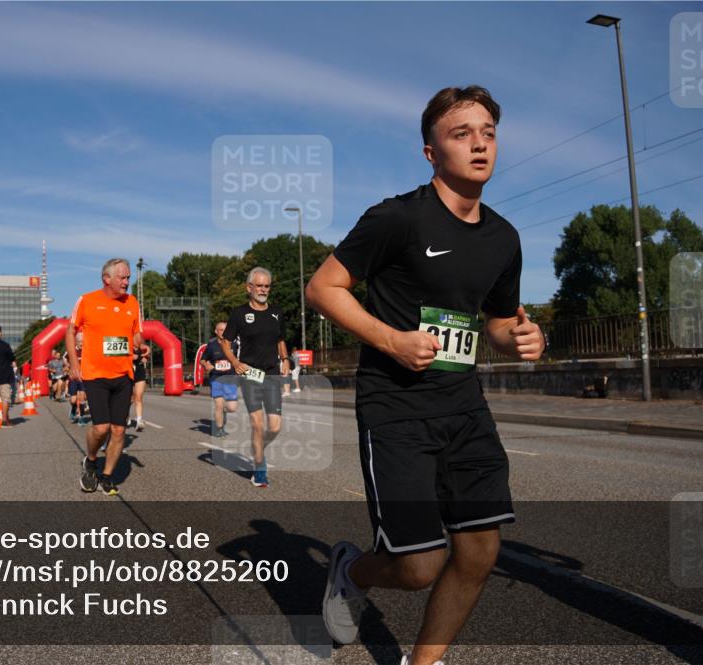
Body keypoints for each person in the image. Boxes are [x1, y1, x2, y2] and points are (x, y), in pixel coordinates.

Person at [305, 86, 545, 665]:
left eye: (488, 132)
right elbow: (322, 288)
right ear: (431, 153)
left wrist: (520, 336)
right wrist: (390, 339)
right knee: (417, 565)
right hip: (396, 407)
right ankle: (351, 571)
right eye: (461, 134)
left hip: (464, 406)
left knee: (480, 552)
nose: (480, 144)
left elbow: (494, 322)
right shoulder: (397, 218)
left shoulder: (504, 238)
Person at [66, 258, 149, 496]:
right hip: (95, 374)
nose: (126, 282)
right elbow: (70, 331)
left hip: (123, 374)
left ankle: (107, 476)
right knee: (101, 428)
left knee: (119, 430)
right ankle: (91, 461)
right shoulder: (87, 300)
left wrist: (141, 346)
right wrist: (74, 363)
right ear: (107, 279)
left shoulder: (132, 303)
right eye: (122, 278)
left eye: (128, 278)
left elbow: (136, 335)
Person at [220, 267, 290, 488]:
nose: (263, 289)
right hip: (250, 373)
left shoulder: (277, 313)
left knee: (275, 427)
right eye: (259, 285)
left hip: (271, 374)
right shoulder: (239, 314)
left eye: (266, 286)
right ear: (248, 287)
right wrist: (235, 362)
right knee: (257, 425)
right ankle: (260, 468)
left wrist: (285, 358)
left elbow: (280, 339)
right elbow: (226, 342)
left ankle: (258, 448)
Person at [200, 321, 239, 438]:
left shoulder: (234, 344)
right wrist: (207, 366)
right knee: (218, 405)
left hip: (231, 378)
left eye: (226, 330)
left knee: (232, 407)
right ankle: (219, 428)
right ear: (216, 332)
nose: (224, 332)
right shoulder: (211, 345)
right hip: (216, 378)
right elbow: (203, 360)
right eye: (221, 330)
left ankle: (224, 413)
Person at [129, 349, 147, 431]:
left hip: (139, 371)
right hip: (127, 371)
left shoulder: (140, 343)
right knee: (129, 399)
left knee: (138, 397)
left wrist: (146, 357)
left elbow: (146, 355)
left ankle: (139, 421)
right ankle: (126, 415)